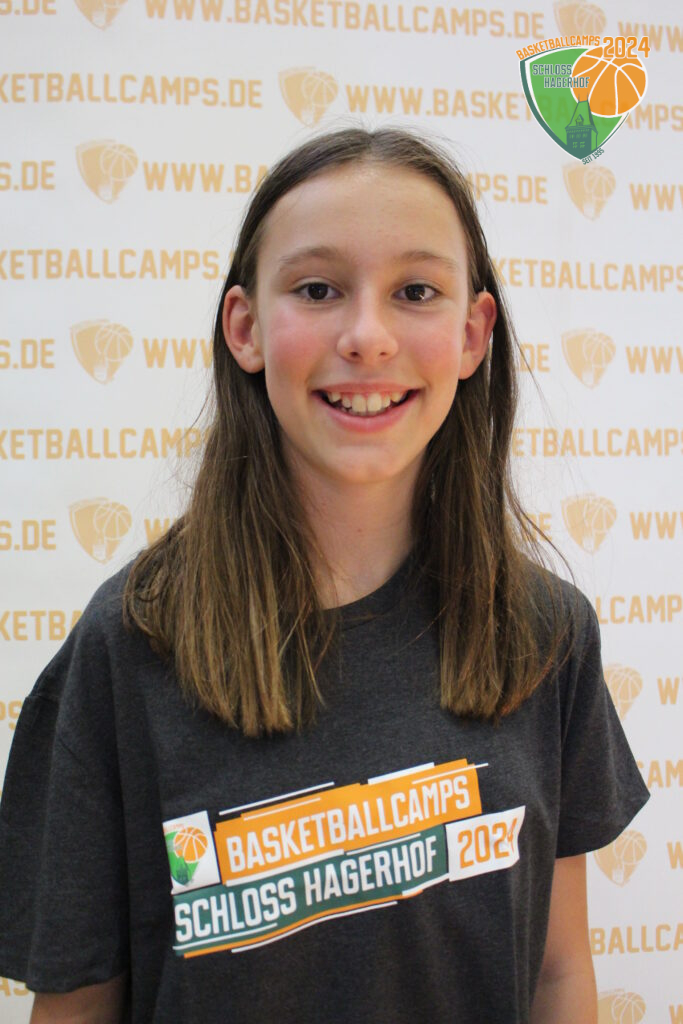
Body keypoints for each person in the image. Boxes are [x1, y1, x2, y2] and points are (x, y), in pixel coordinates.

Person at [0, 126, 648, 1024]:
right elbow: (74, 1010)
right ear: (245, 328)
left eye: (414, 292)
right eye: (316, 289)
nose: (367, 337)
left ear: (471, 334)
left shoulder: (545, 633)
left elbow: (557, 974)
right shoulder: (130, 643)